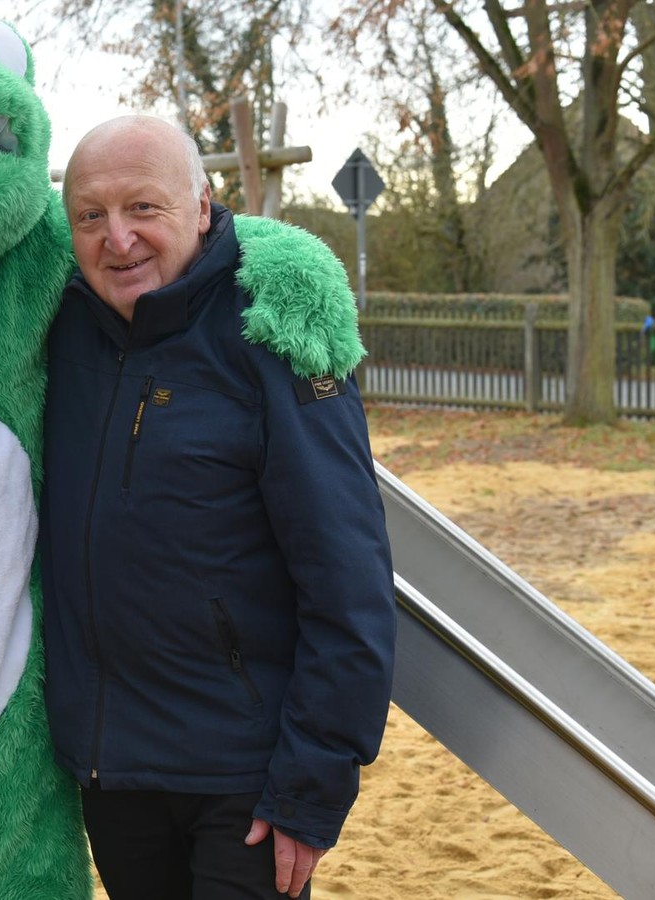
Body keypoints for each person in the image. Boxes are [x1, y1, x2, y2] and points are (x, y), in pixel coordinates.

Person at [40, 115, 397, 900]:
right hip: (112, 765)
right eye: (91, 216)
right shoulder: (61, 330)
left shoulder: (272, 340)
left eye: (145, 209)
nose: (118, 239)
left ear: (202, 206)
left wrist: (312, 784)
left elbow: (348, 580)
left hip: (243, 775)